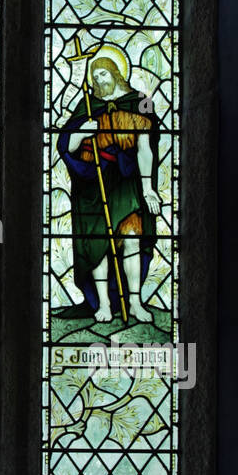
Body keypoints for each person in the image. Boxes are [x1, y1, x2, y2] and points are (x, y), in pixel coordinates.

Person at [56, 53, 162, 324]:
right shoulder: (88, 106)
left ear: (116, 72)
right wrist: (82, 132)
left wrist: (149, 188)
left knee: (132, 240)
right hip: (93, 185)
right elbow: (66, 146)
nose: (98, 80)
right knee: (98, 247)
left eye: (103, 73)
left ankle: (135, 302)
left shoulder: (139, 102)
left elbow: (145, 149)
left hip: (126, 183)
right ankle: (102, 304)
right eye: (94, 76)